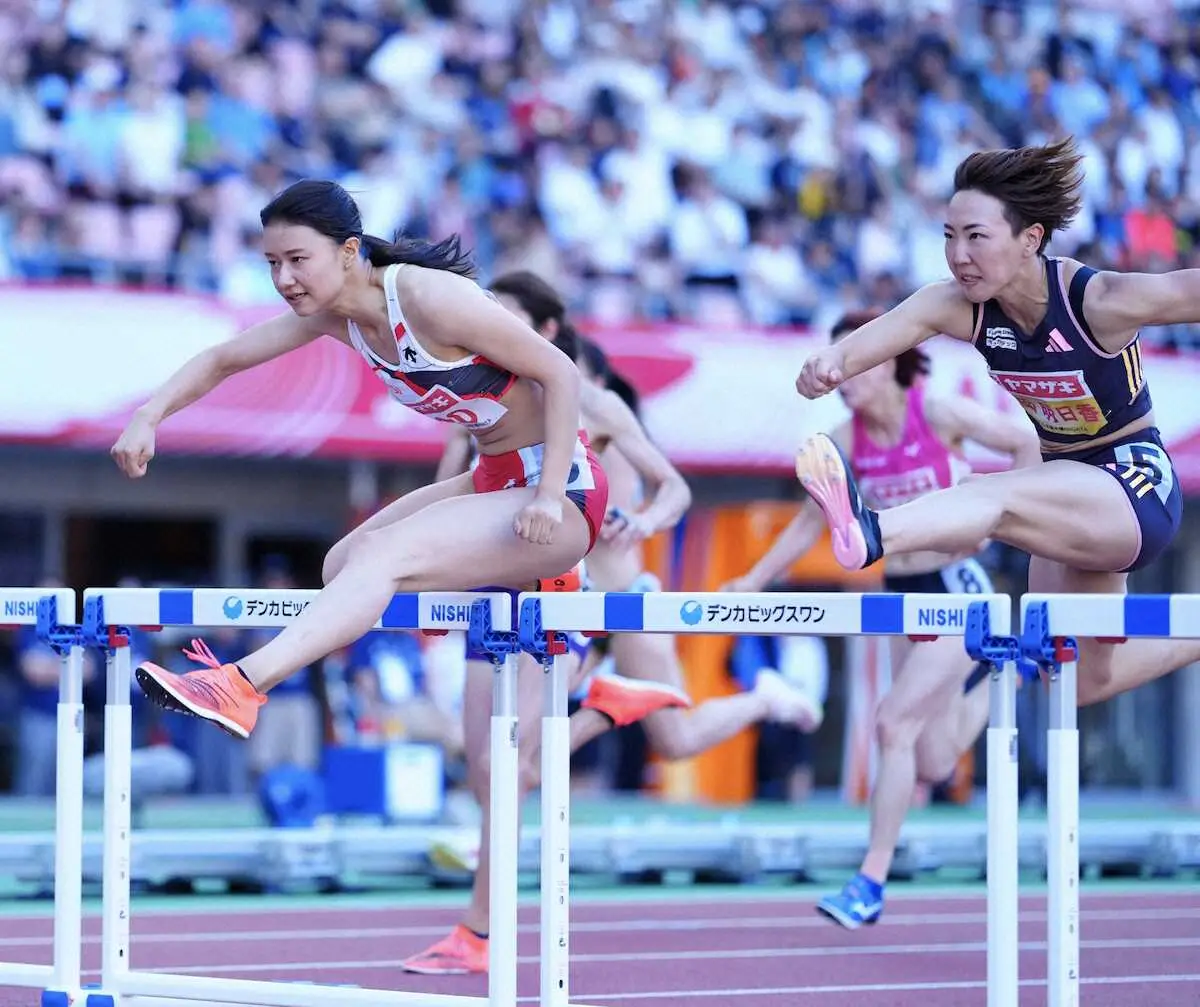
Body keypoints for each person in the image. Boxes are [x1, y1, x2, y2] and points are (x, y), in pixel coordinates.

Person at [401, 271, 821, 975]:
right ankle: (609, 704)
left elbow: (671, 487)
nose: (482, 327)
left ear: (549, 332)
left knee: (526, 766)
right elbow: (452, 489)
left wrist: (642, 521)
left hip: (590, 591)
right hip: (495, 589)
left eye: (499, 316)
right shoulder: (472, 401)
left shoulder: (591, 405)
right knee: (490, 770)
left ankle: (477, 932)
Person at [109, 179, 609, 740]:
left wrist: (547, 496)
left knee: (379, 553)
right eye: (272, 263)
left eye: (298, 260)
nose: (283, 280)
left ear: (349, 251)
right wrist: (149, 415)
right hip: (494, 481)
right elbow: (225, 357)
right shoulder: (335, 318)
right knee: (342, 568)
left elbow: (561, 372)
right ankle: (519, 579)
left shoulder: (427, 298)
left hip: (561, 489)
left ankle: (242, 685)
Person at [793, 136, 1198, 714]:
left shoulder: (1098, 301)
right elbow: (888, 330)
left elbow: (1186, 290)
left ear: (1030, 239)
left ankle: (873, 530)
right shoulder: (960, 305)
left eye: (976, 237)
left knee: (986, 493)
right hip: (1064, 488)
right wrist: (831, 364)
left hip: (1134, 487)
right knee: (1080, 680)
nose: (958, 255)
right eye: (949, 237)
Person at [727, 309, 1040, 928]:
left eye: (856, 363)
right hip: (903, 597)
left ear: (892, 360)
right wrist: (754, 579)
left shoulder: (939, 413)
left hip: (959, 592)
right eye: (838, 363)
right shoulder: (845, 441)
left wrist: (1009, 517)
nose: (844, 376)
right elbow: (810, 522)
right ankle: (1014, 672)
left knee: (891, 724)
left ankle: (870, 881)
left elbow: (1024, 440)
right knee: (932, 762)